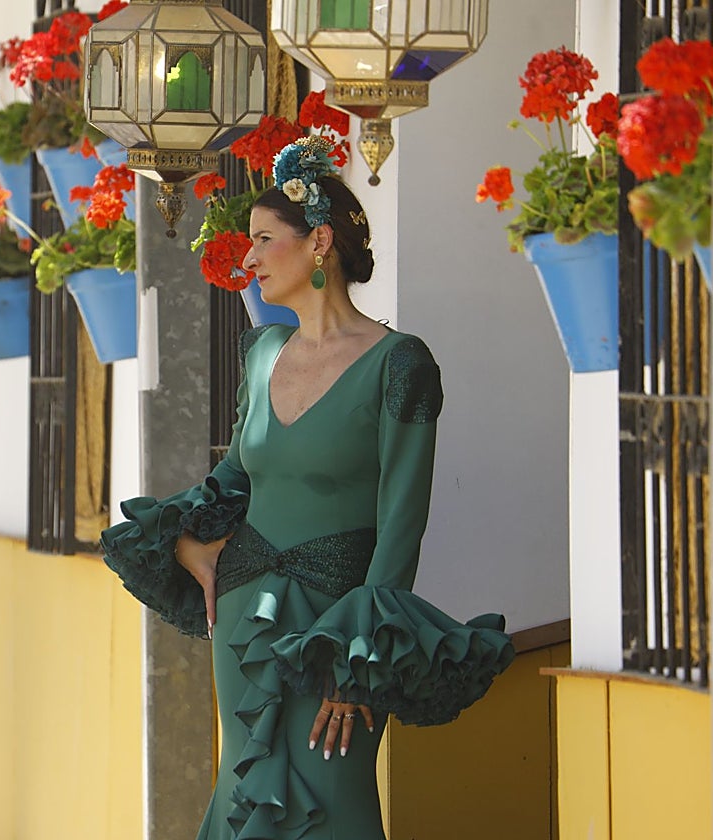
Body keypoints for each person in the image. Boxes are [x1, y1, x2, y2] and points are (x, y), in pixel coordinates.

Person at [100, 137, 514, 840]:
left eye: (264, 239)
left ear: (319, 241)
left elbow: (401, 523)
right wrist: (191, 546)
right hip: (244, 613)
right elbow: (232, 477)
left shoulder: (401, 363)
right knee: (242, 787)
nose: (249, 257)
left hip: (339, 629)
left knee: (333, 794)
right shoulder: (261, 353)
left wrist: (359, 661)